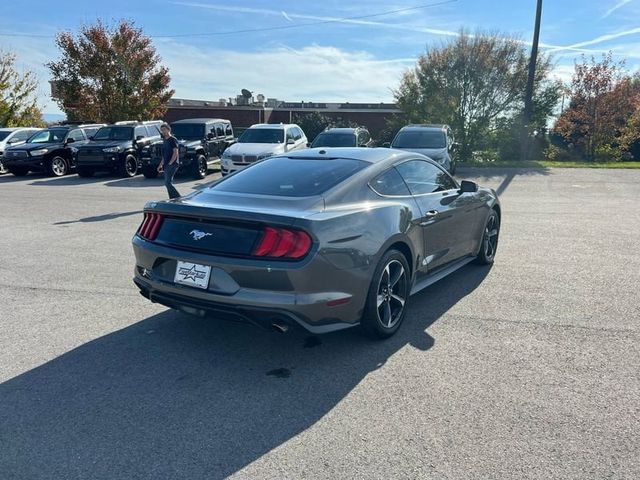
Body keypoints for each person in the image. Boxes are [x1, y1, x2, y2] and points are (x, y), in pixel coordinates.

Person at [158, 123, 181, 199]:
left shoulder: (173, 140)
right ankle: (172, 198)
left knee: (168, 183)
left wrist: (171, 163)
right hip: (166, 164)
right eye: (162, 130)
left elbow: (175, 152)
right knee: (167, 183)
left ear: (169, 130)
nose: (163, 132)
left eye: (164, 130)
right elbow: (164, 155)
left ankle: (178, 198)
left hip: (173, 164)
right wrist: (161, 164)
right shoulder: (165, 140)